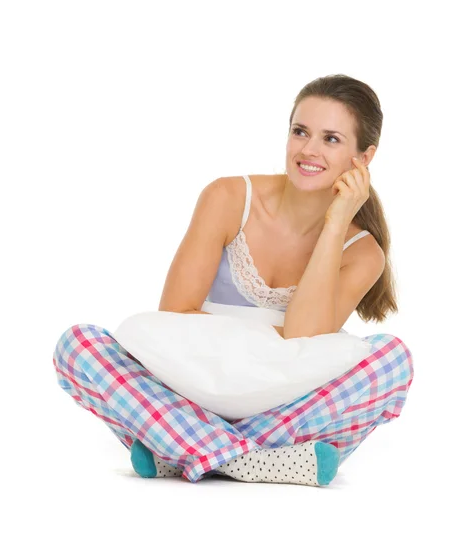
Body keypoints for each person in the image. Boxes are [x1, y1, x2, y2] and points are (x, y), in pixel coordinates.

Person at [53, 74, 414, 486]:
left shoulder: (363, 252)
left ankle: (182, 450)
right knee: (78, 346)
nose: (308, 150)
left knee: (392, 360)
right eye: (300, 132)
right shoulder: (227, 197)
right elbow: (172, 320)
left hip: (284, 405)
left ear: (363, 158)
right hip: (189, 388)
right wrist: (257, 345)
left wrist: (335, 223)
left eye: (331, 139)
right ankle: (254, 460)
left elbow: (303, 337)